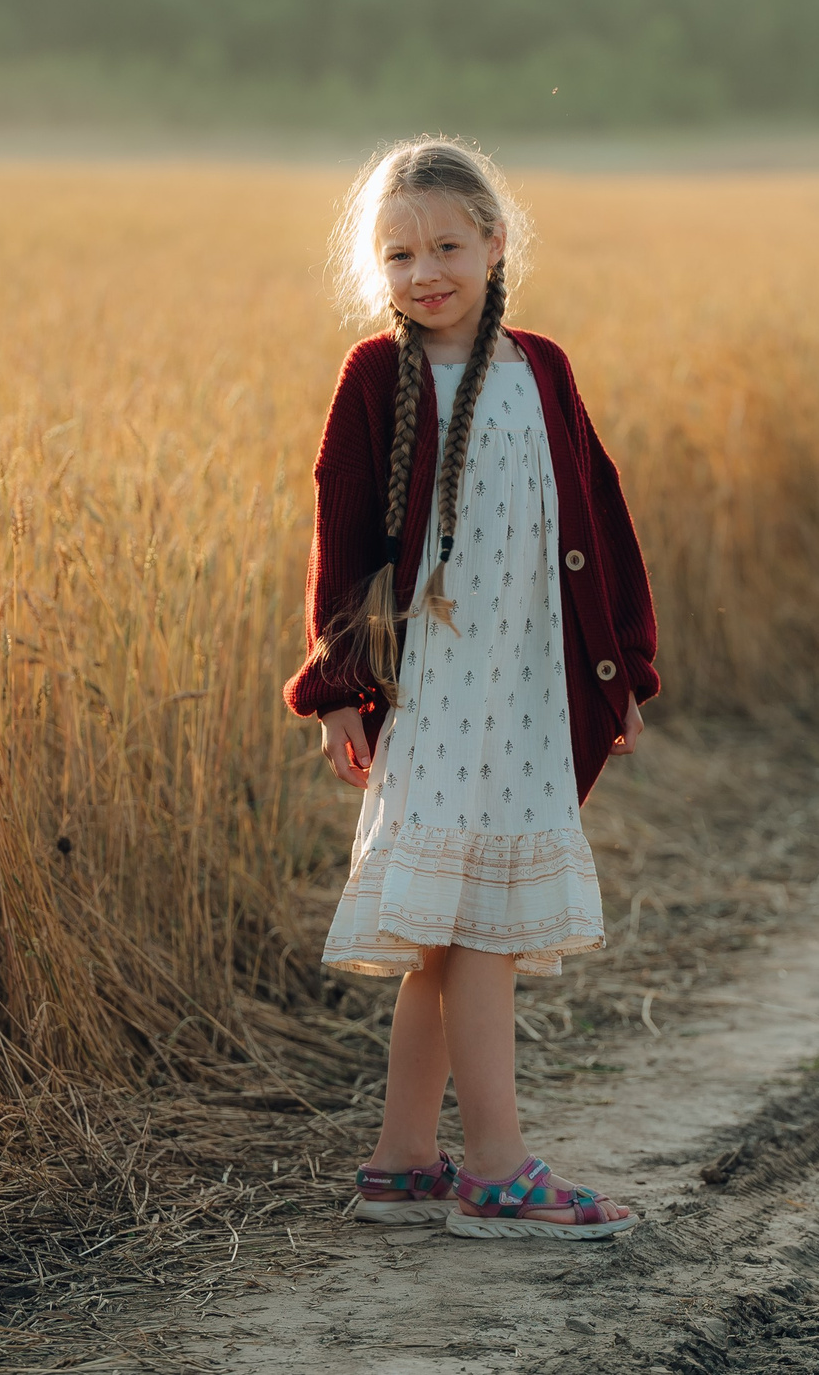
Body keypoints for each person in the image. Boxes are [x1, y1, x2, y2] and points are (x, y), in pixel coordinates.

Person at [282, 137, 657, 1240]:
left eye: (446, 246)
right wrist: (338, 692)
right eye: (399, 255)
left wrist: (620, 670)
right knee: (479, 923)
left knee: (451, 936)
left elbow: (599, 520)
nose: (424, 272)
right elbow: (343, 540)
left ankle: (402, 1162)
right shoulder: (376, 377)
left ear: (495, 243)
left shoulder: (542, 369)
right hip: (441, 694)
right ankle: (496, 1169)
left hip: (527, 686)